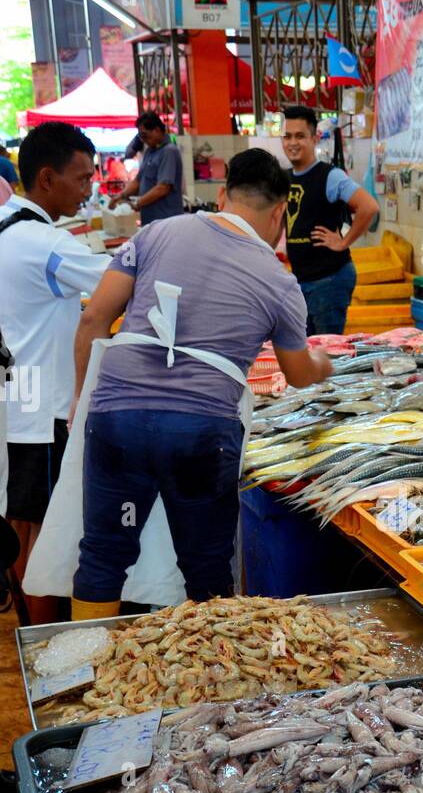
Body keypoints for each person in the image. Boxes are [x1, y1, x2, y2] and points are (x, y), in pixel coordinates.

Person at [45, 148, 331, 619]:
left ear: (223, 196)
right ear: (281, 211)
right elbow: (299, 375)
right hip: (201, 434)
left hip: (117, 420)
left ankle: (82, 676)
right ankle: (212, 684)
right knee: (206, 569)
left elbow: (94, 317)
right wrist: (325, 363)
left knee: (104, 553)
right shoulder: (279, 282)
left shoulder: (156, 232)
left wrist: (82, 400)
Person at [0, 122, 111, 623]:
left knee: (23, 520)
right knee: (41, 528)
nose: (89, 189)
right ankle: (44, 638)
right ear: (47, 178)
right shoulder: (42, 242)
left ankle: (31, 627)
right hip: (40, 405)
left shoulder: (7, 226)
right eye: (82, 177)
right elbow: (119, 279)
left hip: (18, 394)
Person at [281, 104, 379, 335]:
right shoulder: (285, 178)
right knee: (307, 351)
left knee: (328, 351)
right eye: (287, 136)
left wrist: (343, 241)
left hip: (329, 279)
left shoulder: (329, 176)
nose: (292, 143)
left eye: (300, 136)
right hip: (301, 280)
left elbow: (369, 206)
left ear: (314, 138)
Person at [109, 112, 184, 225]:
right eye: (141, 137)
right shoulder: (150, 152)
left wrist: (137, 204)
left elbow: (163, 188)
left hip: (166, 220)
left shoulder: (169, 151)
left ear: (157, 130)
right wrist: (120, 196)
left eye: (145, 135)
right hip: (150, 219)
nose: (143, 140)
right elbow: (138, 181)